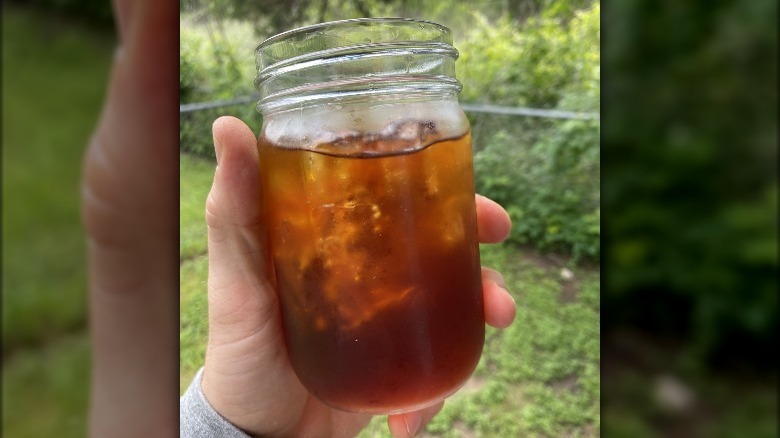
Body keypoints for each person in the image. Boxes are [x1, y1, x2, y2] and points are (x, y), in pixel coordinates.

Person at [82, 1, 516, 437]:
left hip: (422, 357)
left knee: (445, 248)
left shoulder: (435, 124)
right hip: (324, 376)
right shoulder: (291, 143)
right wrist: (229, 424)